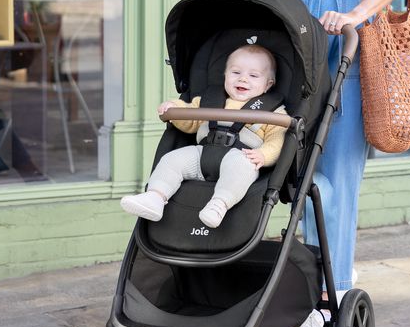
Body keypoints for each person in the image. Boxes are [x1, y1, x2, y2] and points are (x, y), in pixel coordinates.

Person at [240, 0, 410, 327]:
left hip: (350, 54)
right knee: (284, 174)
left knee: (331, 180)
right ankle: (301, 277)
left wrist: (359, 14)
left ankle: (324, 301)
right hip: (289, 57)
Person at [120, 43, 287, 228]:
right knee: (171, 160)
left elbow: (278, 139)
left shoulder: (274, 111)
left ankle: (218, 205)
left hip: (240, 157)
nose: (243, 79)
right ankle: (155, 197)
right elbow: (190, 119)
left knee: (243, 168)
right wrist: (175, 108)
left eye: (253, 75)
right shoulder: (210, 100)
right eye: (235, 73)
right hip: (202, 153)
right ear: (225, 75)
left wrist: (264, 155)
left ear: (268, 84)